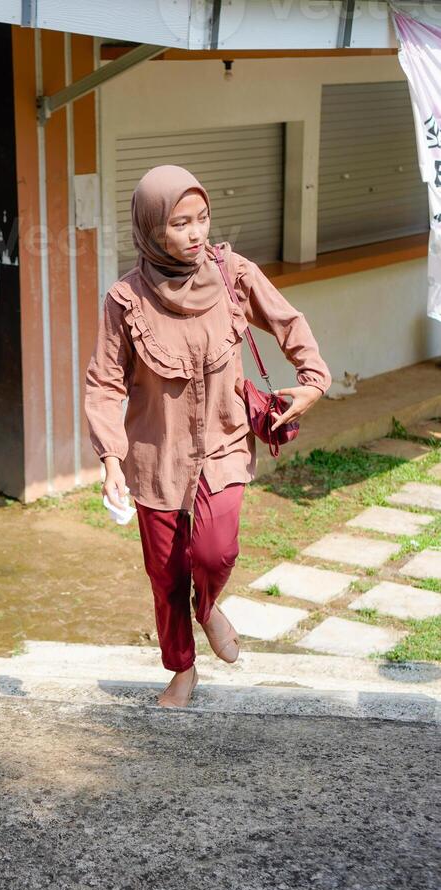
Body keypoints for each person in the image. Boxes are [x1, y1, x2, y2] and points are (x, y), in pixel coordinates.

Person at [84, 165, 332, 709]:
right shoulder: (125, 300)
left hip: (223, 440)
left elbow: (287, 322)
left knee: (216, 552)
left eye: (203, 219)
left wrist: (314, 381)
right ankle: (182, 670)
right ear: (152, 228)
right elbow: (104, 383)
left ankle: (208, 607)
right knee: (166, 574)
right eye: (180, 223)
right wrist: (110, 460)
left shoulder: (231, 272)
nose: (196, 233)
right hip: (155, 453)